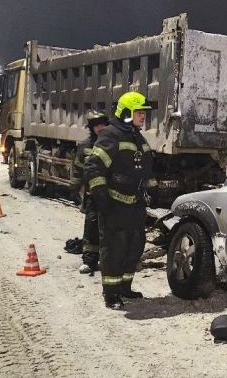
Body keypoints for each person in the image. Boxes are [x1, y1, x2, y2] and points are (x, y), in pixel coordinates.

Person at [84, 92, 157, 310]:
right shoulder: (111, 134)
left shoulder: (136, 136)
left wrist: (154, 191)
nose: (143, 117)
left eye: (144, 113)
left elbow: (145, 169)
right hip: (115, 203)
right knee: (114, 249)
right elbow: (93, 167)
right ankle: (111, 295)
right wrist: (102, 198)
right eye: (139, 112)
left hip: (135, 204)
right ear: (126, 113)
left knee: (134, 247)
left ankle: (125, 287)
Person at [72, 110, 110, 275]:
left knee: (109, 229)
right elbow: (78, 170)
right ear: (91, 127)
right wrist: (75, 189)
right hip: (92, 196)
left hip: (110, 195)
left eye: (103, 124)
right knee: (91, 226)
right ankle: (89, 261)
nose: (100, 128)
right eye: (97, 125)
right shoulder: (85, 146)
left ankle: (108, 260)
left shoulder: (112, 144)